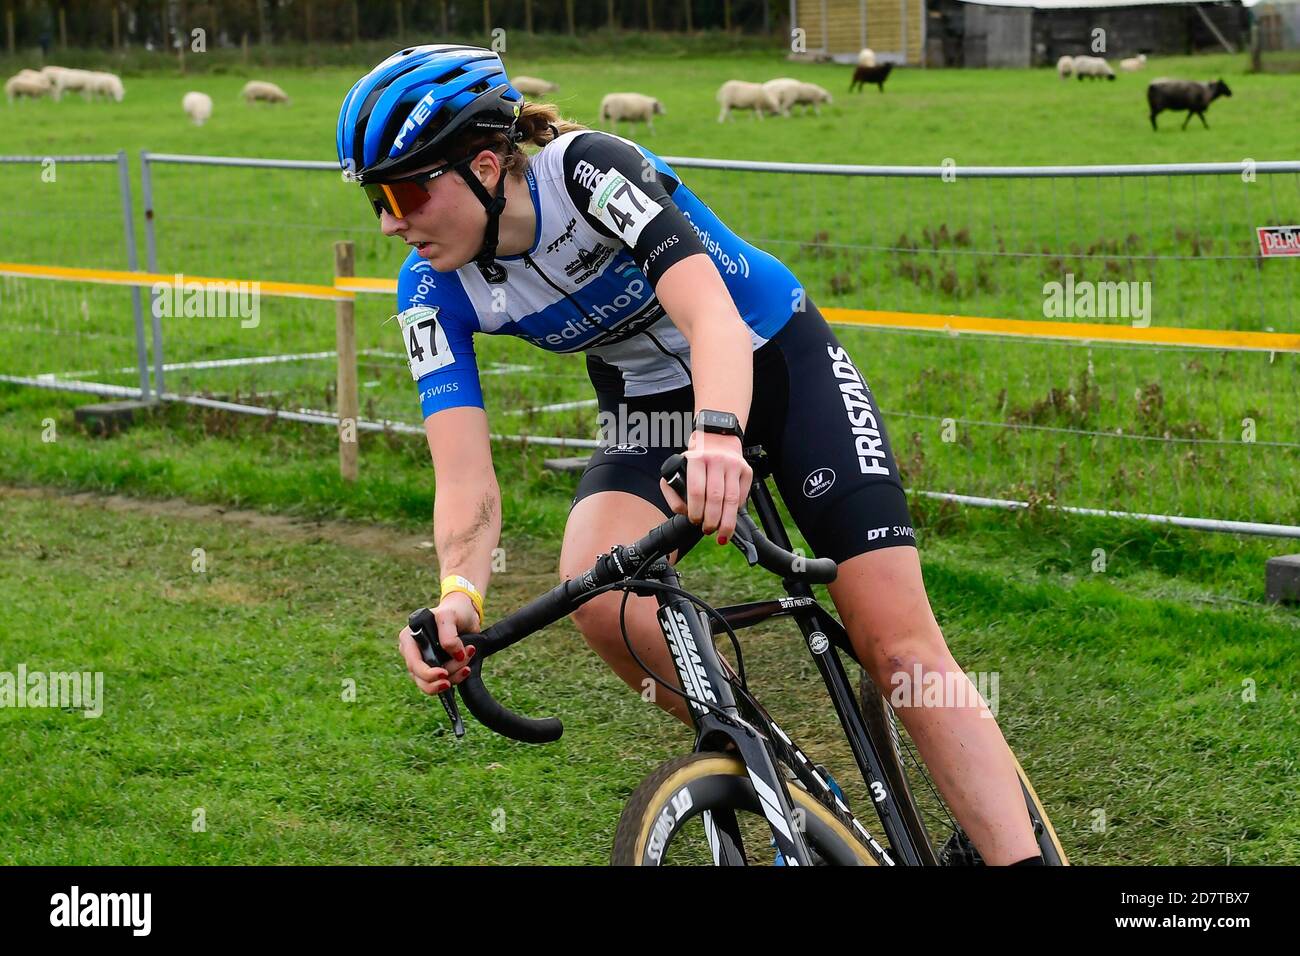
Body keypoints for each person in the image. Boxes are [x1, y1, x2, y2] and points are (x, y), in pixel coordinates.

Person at [337, 44, 1044, 865]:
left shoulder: (592, 172)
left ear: (486, 165)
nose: (390, 220)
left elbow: (711, 316)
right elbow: (463, 474)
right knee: (596, 593)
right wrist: (460, 592)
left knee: (898, 645)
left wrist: (717, 434)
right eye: (374, 200)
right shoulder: (428, 289)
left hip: (775, 360)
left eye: (404, 190)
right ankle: (789, 791)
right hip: (648, 412)